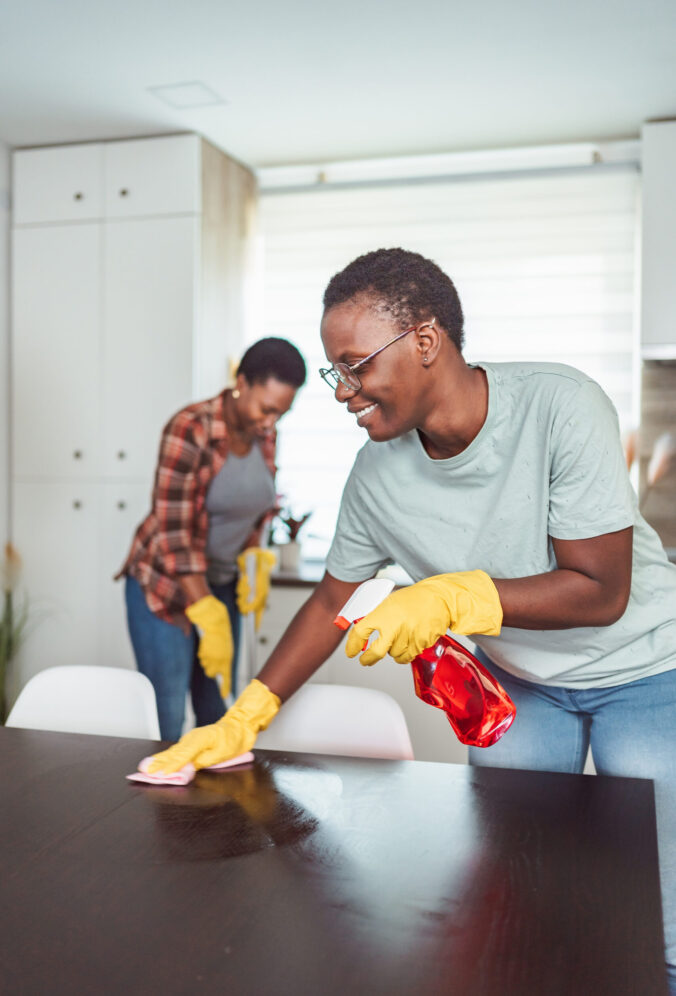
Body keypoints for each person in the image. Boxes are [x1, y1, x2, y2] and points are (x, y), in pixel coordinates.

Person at [145, 248, 676, 994]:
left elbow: (601, 589)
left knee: (660, 901)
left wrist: (453, 598)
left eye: (353, 365)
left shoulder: (561, 405)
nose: (342, 391)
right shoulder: (375, 476)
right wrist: (246, 716)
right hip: (521, 686)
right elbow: (333, 602)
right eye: (336, 372)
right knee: (512, 892)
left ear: (425, 342)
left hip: (647, 669)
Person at [117, 336, 306, 741]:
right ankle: (158, 805)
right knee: (166, 718)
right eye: (266, 409)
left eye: (281, 414)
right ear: (242, 382)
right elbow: (173, 531)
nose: (270, 422)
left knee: (217, 714)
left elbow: (257, 502)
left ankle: (212, 808)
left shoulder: (266, 434)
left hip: (221, 583)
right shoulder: (190, 427)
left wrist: (256, 556)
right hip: (165, 589)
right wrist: (202, 607)